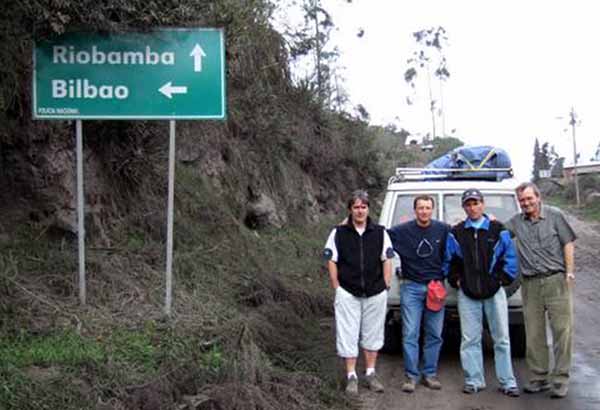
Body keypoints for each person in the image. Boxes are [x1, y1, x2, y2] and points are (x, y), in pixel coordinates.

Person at [445, 188, 520, 397]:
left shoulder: (498, 229)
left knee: (502, 338)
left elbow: (510, 258)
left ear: (482, 204)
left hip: (494, 292)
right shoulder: (457, 232)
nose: (472, 207)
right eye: (468, 204)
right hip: (467, 293)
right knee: (470, 339)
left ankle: (508, 382)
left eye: (475, 203)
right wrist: (456, 280)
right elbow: (450, 261)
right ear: (464, 207)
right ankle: (473, 380)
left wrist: (501, 280)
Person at [505, 182, 576, 399]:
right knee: (534, 334)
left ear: (538, 197)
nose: (526, 203)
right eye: (522, 200)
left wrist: (569, 272)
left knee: (562, 332)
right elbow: (496, 229)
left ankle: (561, 379)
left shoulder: (555, 215)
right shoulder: (516, 222)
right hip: (530, 284)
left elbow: (568, 243)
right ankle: (539, 377)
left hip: (556, 280)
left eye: (529, 198)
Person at [323, 190, 393, 394]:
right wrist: (337, 286)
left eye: (363, 207)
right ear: (350, 210)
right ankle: (351, 376)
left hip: (375, 292)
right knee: (348, 333)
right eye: (356, 207)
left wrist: (386, 285)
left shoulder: (380, 232)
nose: (360, 210)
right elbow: (331, 260)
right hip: (348, 292)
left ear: (368, 209)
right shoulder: (339, 233)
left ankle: (370, 372)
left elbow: (387, 259)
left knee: (373, 333)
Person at [387, 195, 451, 393]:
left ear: (432, 209)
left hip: (435, 288)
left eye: (427, 208)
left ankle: (430, 374)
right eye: (420, 208)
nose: (424, 211)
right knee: (410, 333)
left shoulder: (443, 229)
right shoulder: (401, 231)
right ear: (415, 210)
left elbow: (460, 242)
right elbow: (377, 235)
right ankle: (411, 376)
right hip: (411, 287)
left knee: (434, 333)